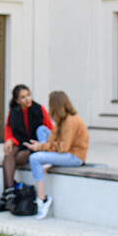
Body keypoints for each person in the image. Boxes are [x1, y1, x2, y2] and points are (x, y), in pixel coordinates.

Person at [23, 91, 89, 219]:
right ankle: (47, 160)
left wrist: (41, 148)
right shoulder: (62, 120)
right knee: (41, 130)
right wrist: (42, 146)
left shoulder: (71, 121)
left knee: (34, 158)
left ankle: (42, 198)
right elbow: (52, 140)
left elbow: (63, 147)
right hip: (64, 152)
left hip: (74, 156)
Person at [0, 84, 54, 212]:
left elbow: (50, 130)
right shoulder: (14, 112)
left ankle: (6, 195)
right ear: (17, 100)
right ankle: (10, 193)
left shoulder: (39, 109)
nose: (27, 99)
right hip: (19, 144)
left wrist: (43, 145)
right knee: (9, 153)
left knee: (8, 160)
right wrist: (8, 140)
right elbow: (9, 129)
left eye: (28, 95)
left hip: (34, 147)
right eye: (23, 97)